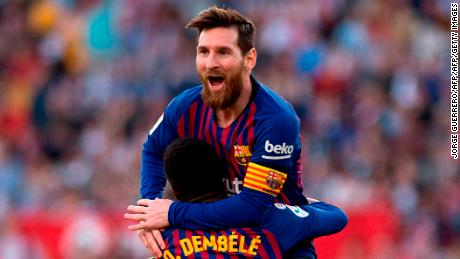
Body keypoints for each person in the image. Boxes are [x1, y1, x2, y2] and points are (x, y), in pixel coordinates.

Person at [129, 6, 318, 258]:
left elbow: (252, 207)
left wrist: (171, 212)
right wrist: (149, 210)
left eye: (223, 52)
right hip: (213, 240)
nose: (210, 63)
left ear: (249, 59)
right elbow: (153, 149)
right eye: (203, 52)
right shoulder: (185, 106)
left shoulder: (275, 119)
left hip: (277, 246)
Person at [126, 138, 348, 258]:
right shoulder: (269, 217)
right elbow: (337, 217)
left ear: (174, 188)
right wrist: (289, 199)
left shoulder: (162, 237)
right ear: (224, 176)